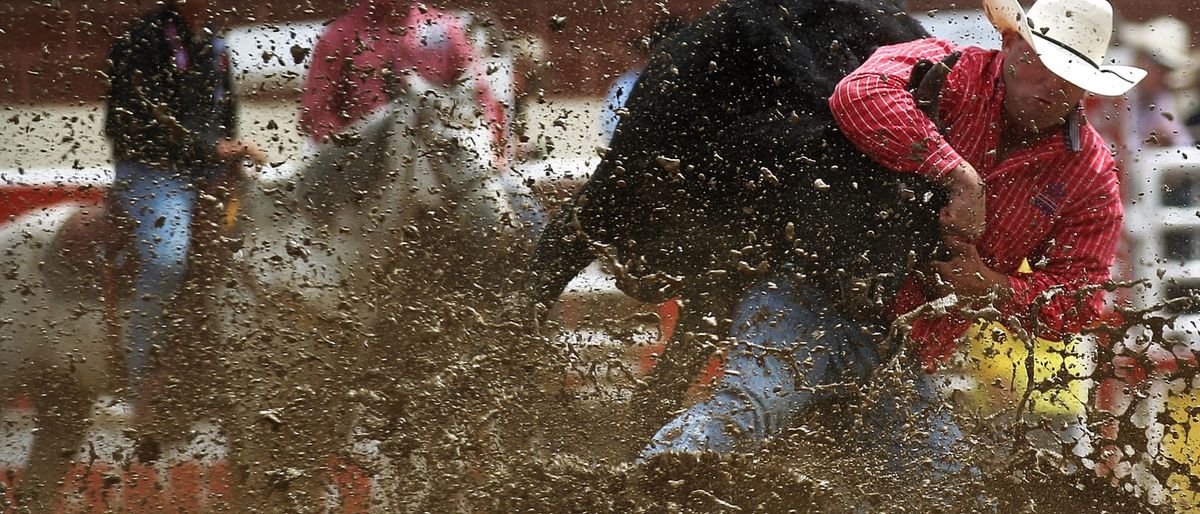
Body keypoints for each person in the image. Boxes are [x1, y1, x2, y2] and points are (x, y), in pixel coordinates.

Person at [642, 0, 1145, 487]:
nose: (1050, 87)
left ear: (1086, 89)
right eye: (1039, 63)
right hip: (815, 295)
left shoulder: (1090, 174)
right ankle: (630, 495)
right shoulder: (948, 69)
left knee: (950, 490)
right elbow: (858, 93)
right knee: (746, 410)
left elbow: (1080, 299)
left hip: (902, 349)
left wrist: (990, 287)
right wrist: (958, 175)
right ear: (1011, 44)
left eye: (1070, 80)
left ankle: (642, 481)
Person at [104, 0, 264, 406]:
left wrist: (225, 159)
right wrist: (218, 148)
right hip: (151, 170)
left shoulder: (213, 41)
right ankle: (139, 378)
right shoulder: (141, 40)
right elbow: (142, 122)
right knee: (166, 260)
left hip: (207, 170)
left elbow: (224, 113)